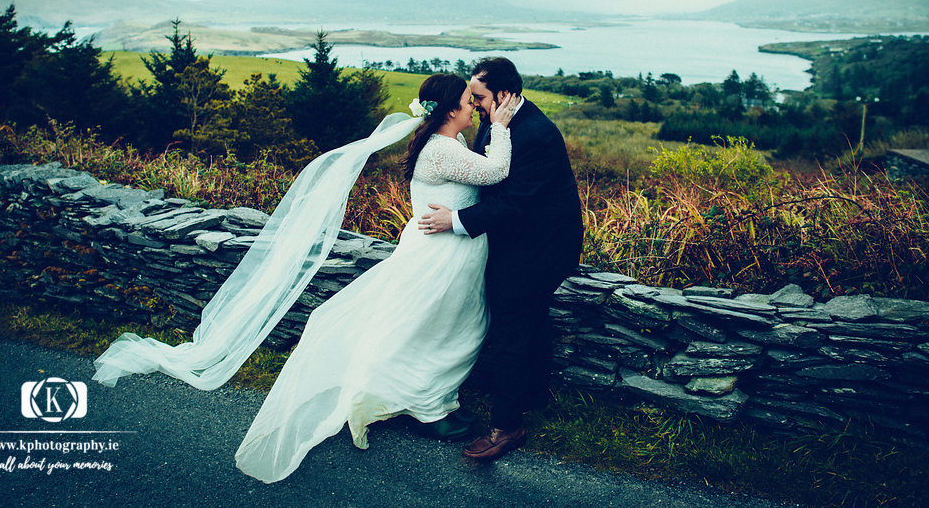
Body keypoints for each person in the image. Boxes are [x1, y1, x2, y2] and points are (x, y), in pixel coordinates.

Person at [93, 72, 519, 484]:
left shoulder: (450, 140)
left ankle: (430, 400)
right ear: (447, 111)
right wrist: (501, 126)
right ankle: (425, 406)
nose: (473, 108)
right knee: (434, 328)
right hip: (439, 257)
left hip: (450, 252)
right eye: (467, 102)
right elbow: (497, 171)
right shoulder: (442, 150)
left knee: (449, 327)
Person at [420, 57, 583, 462]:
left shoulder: (536, 134)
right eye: (471, 98)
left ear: (505, 95)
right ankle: (534, 393)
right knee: (528, 317)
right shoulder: (500, 124)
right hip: (518, 238)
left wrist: (455, 220)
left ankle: (507, 426)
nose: (473, 105)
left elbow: (514, 202)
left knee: (512, 323)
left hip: (542, 245)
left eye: (478, 97)